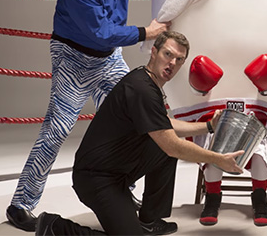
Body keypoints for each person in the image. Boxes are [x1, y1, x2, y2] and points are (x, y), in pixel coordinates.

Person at [6, 0, 238, 232]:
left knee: (139, 120)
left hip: (108, 57)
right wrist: (146, 32)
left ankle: (123, 195)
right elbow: (101, 33)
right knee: (57, 129)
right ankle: (21, 203)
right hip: (73, 57)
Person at [34, 30, 244, 235]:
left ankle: (148, 221)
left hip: (119, 169)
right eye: (167, 54)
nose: (172, 63)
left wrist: (208, 126)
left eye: (179, 60)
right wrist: (218, 159)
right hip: (96, 178)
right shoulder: (141, 89)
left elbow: (164, 124)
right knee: (169, 147)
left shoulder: (147, 80)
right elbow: (172, 145)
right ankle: (55, 226)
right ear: (154, 52)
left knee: (163, 146)